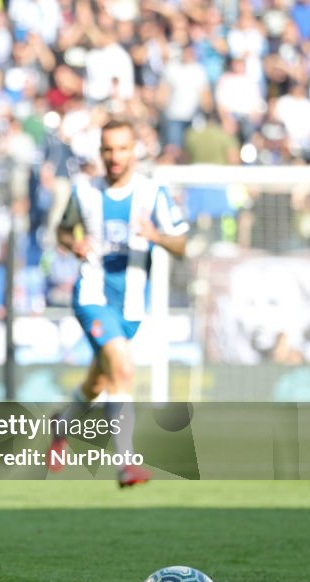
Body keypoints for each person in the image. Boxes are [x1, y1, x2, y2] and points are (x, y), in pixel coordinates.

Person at [51, 118, 188, 487]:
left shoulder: (152, 194)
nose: (115, 156)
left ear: (134, 152)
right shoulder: (85, 192)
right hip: (92, 297)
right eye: (108, 149)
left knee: (99, 381)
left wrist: (156, 235)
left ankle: (60, 425)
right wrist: (72, 243)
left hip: (131, 307)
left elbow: (182, 244)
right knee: (123, 369)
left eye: (122, 149)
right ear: (101, 152)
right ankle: (126, 464)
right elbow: (62, 229)